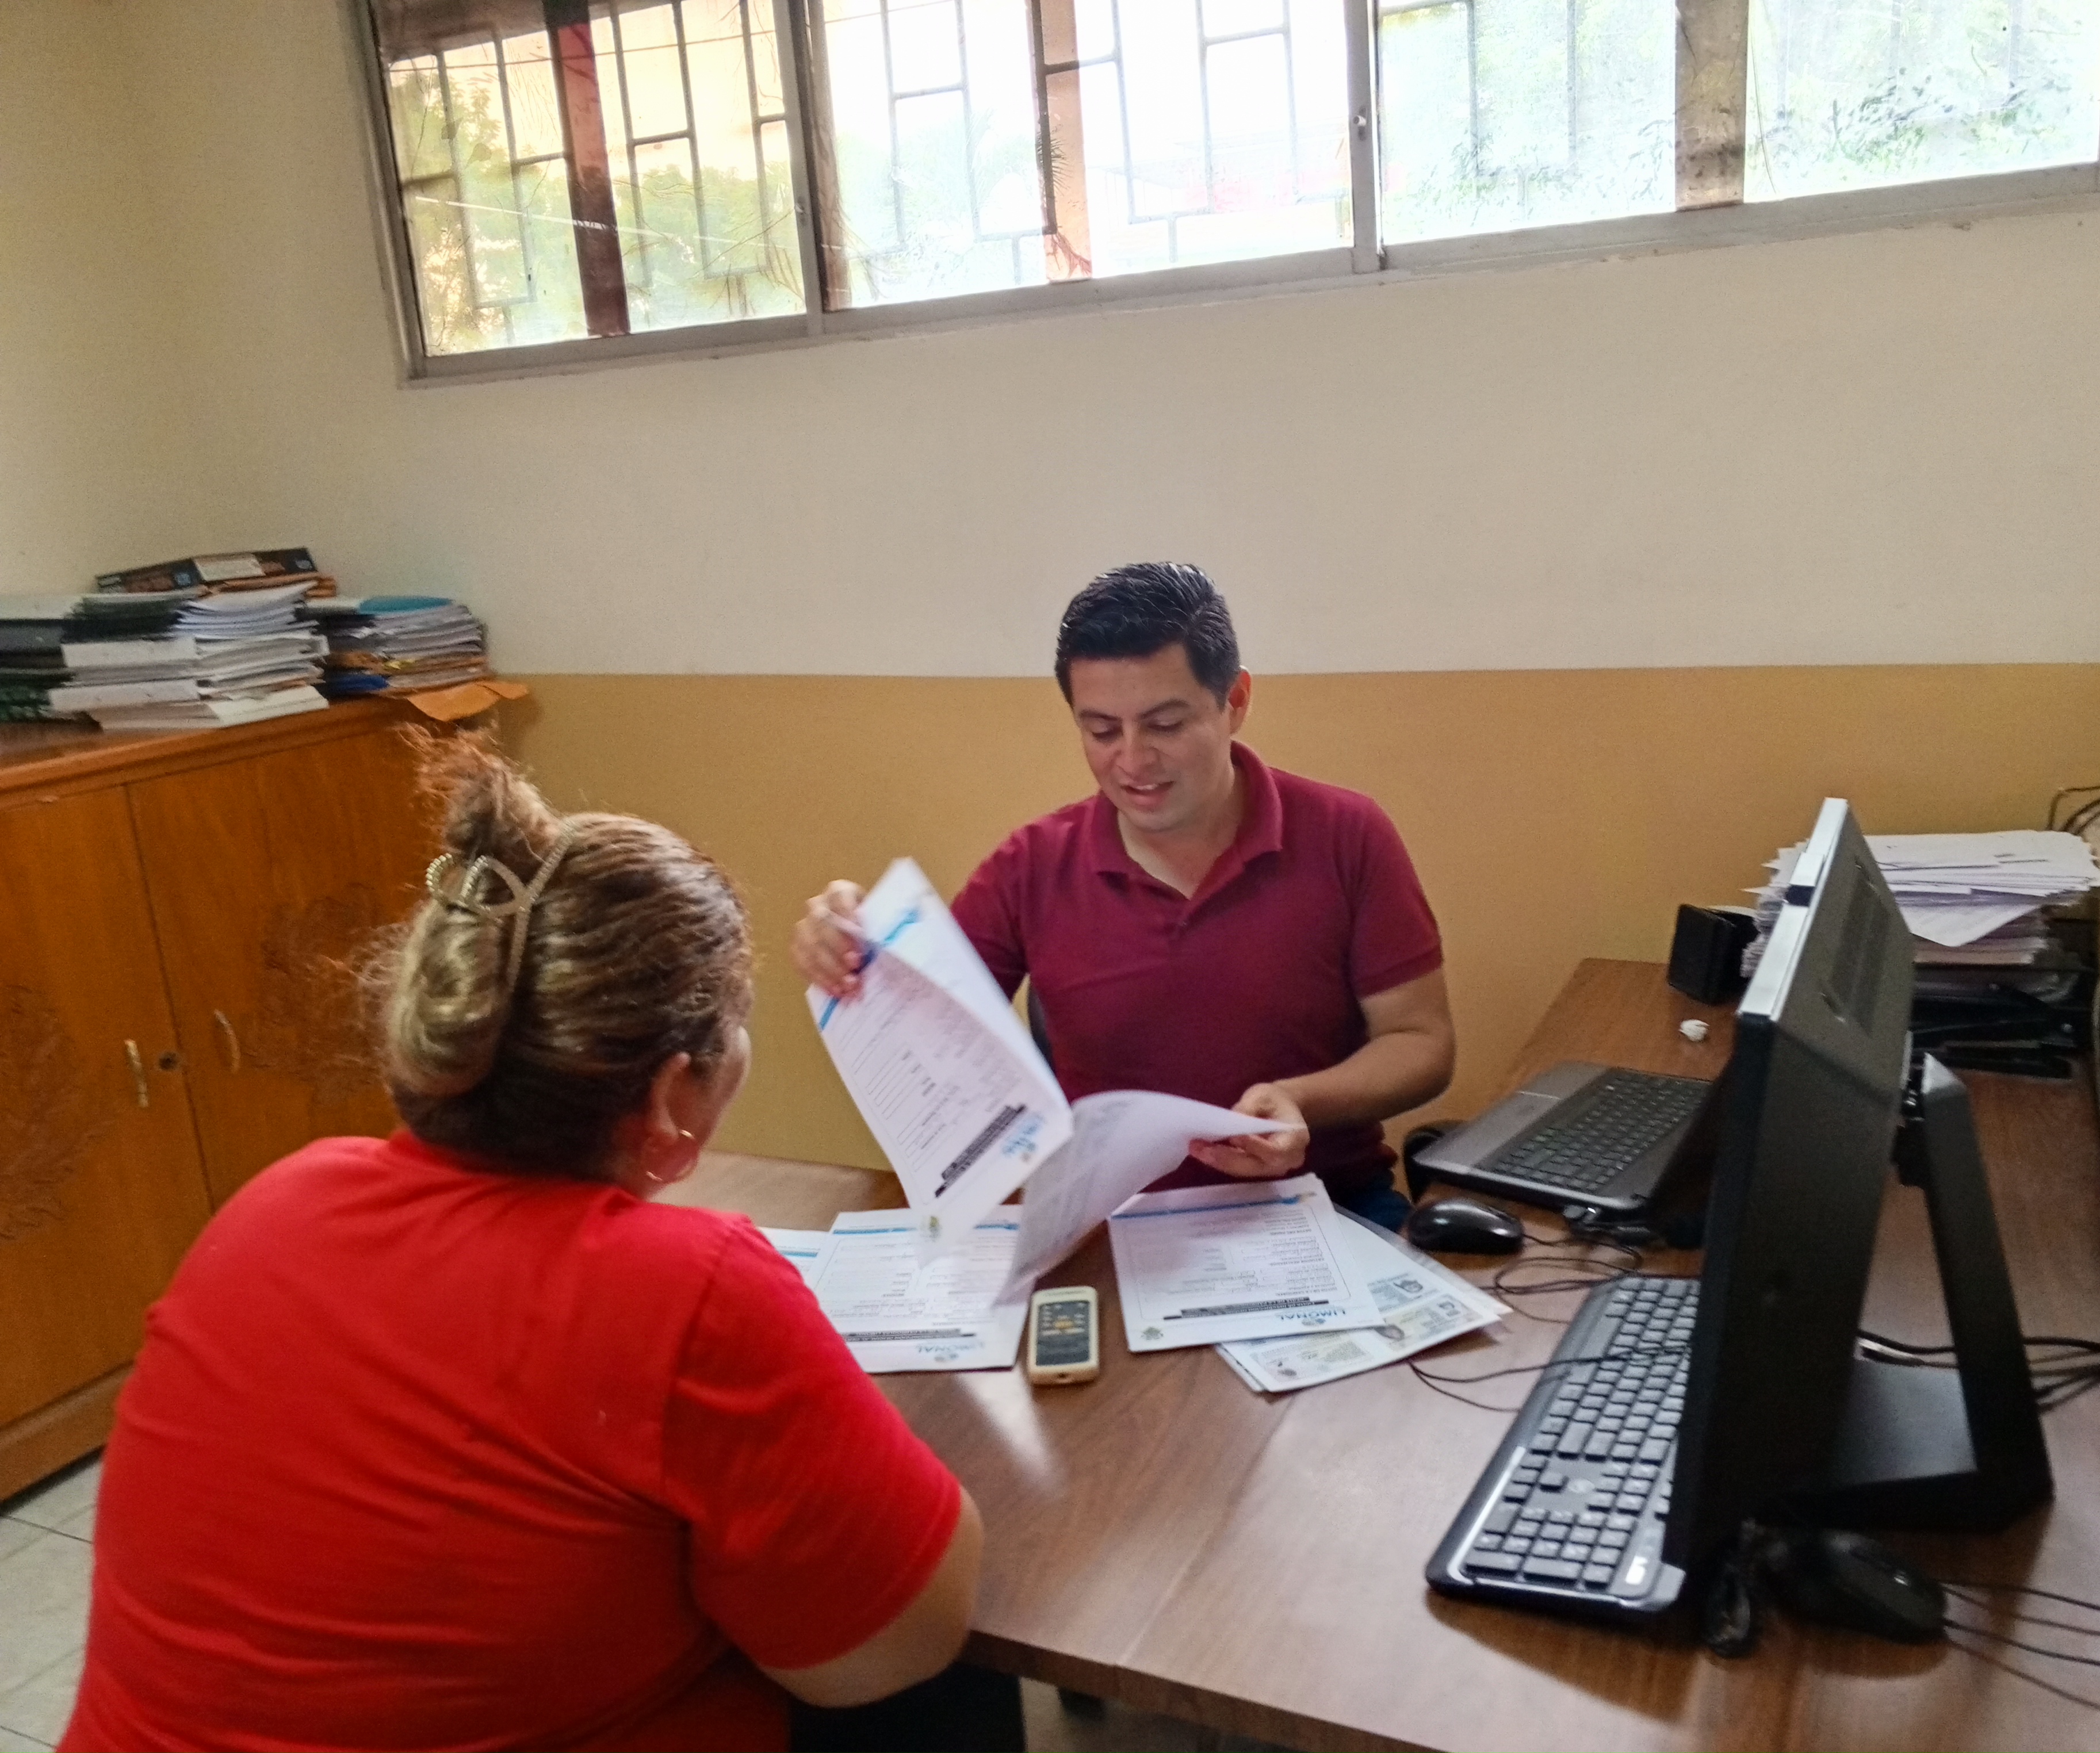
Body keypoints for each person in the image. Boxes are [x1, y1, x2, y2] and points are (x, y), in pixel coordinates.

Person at [64, 741, 1010, 1753]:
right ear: (670, 1097)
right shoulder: (688, 1290)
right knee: (944, 1694)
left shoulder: (276, 1199)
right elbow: (909, 1637)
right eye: (737, 1025)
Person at [794, 562, 1454, 1231]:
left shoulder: (1345, 834)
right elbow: (920, 1031)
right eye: (1102, 731)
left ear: (1234, 701)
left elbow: (1420, 1041)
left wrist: (1299, 1100)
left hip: (1325, 1202)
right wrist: (849, 942)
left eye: (1164, 725)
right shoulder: (1030, 867)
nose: (1133, 762)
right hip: (1112, 1225)